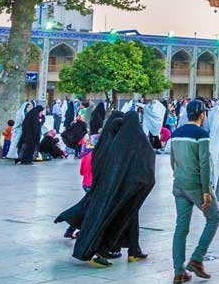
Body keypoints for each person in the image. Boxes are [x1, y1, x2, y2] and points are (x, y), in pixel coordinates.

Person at [55, 111, 155, 268]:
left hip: (112, 190)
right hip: (119, 191)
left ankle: (132, 250)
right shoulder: (125, 145)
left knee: (127, 218)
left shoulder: (109, 143)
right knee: (111, 218)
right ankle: (98, 251)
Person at [169, 100, 219, 284]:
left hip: (179, 184)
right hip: (196, 185)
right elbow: (204, 164)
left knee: (181, 227)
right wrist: (206, 191)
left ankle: (178, 271)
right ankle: (197, 258)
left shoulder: (175, 133)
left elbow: (172, 161)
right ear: (202, 115)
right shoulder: (202, 134)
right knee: (214, 217)